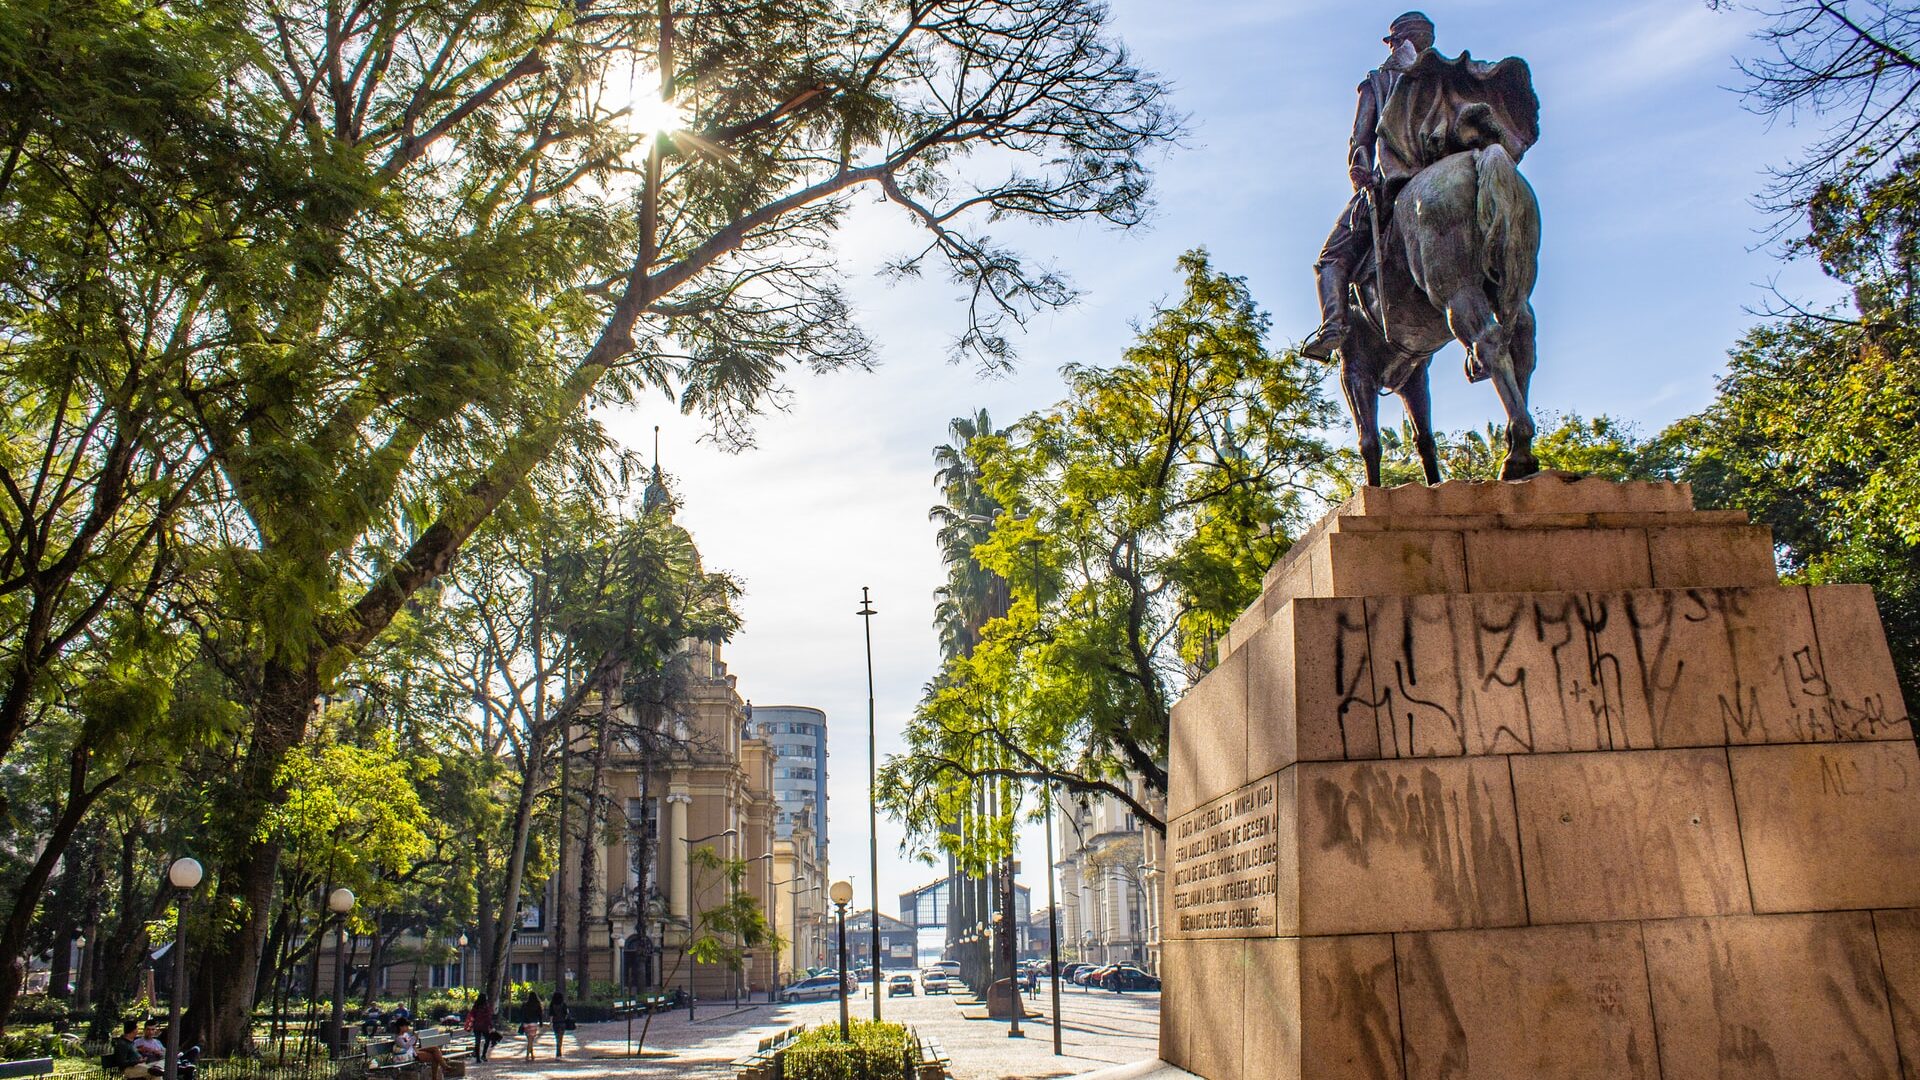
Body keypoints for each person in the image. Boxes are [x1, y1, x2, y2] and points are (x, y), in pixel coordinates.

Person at [1302, 11, 1435, 362]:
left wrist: (1359, 167)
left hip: (1392, 181)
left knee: (1330, 258)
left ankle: (1332, 326)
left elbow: (1360, 141)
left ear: (1395, 43)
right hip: (1440, 168)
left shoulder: (1378, 81)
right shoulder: (1442, 78)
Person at [465, 994, 494, 1062]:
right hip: (484, 1026)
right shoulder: (486, 1006)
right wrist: (491, 1026)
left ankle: (478, 1058)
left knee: (477, 1042)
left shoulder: (476, 1006)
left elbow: (472, 1015)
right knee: (487, 1040)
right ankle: (483, 1055)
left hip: (476, 1026)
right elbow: (488, 1017)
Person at [518, 989, 543, 1060]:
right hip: (533, 1023)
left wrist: (522, 1022)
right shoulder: (537, 1005)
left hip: (526, 1023)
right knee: (530, 1040)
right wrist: (541, 1023)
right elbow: (540, 1015)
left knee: (529, 1039)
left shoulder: (525, 1004)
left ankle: (532, 1054)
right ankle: (527, 1055)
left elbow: (521, 1014)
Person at [548, 991, 571, 1059]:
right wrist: (565, 1018)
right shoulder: (563, 1004)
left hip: (555, 1023)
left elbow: (551, 1015)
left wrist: (550, 1022)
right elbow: (567, 1013)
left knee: (557, 1037)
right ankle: (559, 1052)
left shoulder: (552, 1004)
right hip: (562, 1022)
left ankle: (558, 1051)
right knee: (560, 1037)